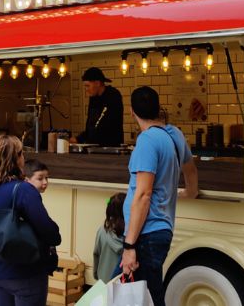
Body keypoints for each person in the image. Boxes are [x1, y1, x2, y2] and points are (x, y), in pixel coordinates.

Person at [117, 86, 199, 306]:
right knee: (146, 295)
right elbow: (190, 170)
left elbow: (143, 194)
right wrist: (190, 192)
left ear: (132, 112)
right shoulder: (174, 134)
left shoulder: (147, 141)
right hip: (161, 229)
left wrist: (129, 246)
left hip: (145, 235)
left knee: (148, 298)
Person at [0, 135, 61, 306]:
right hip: (25, 272)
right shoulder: (24, 190)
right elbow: (50, 232)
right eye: (21, 153)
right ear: (15, 159)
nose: (24, 157)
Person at [70, 67, 123, 147]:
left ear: (97, 83)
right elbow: (91, 125)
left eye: (88, 86)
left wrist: (85, 139)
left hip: (110, 147)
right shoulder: (93, 98)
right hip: (94, 148)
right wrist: (79, 139)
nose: (86, 89)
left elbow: (106, 125)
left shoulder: (113, 96)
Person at [93, 192, 126, 281]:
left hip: (103, 282)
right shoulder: (131, 237)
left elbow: (96, 254)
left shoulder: (102, 231)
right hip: (121, 284)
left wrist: (96, 274)